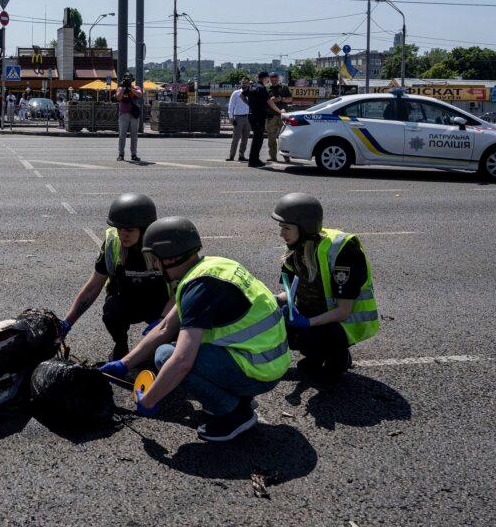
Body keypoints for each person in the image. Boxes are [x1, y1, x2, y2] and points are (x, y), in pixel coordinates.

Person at [101, 217, 290, 442]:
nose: (154, 266)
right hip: (266, 360)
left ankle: (233, 413)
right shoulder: (207, 269)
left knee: (166, 356)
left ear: (169, 258)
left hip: (259, 370)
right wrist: (124, 364)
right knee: (169, 350)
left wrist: (148, 400)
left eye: (155, 259)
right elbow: (164, 328)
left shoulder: (198, 289)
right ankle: (239, 397)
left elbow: (182, 361)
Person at [271, 193, 379, 381]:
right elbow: (288, 289)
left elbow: (343, 312)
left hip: (346, 323)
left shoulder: (343, 252)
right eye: (281, 228)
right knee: (273, 323)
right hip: (316, 313)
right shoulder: (295, 248)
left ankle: (338, 357)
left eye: (286, 228)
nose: (281, 234)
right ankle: (316, 354)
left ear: (304, 228)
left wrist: (306, 323)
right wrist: (270, 302)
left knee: (307, 338)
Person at [60, 194, 169, 361]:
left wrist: (164, 322)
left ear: (145, 228)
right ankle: (121, 345)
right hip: (127, 301)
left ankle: (155, 346)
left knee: (162, 355)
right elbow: (93, 286)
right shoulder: (113, 244)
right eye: (119, 229)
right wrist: (66, 323)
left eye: (129, 230)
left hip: (160, 304)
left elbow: (180, 291)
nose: (122, 235)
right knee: (111, 310)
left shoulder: (163, 247)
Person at [245, 71, 282, 168]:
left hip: (251, 115)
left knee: (257, 138)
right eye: (267, 79)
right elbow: (270, 102)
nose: (268, 81)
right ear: (264, 78)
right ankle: (253, 161)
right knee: (258, 139)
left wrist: (250, 105)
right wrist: (280, 111)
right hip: (259, 116)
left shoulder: (251, 86)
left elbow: (242, 95)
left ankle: (254, 159)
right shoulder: (262, 88)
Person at [115, 72, 143, 162]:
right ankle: (121, 154)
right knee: (122, 135)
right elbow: (118, 98)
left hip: (133, 114)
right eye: (126, 78)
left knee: (134, 135)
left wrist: (130, 88)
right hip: (123, 114)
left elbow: (140, 94)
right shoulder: (120, 88)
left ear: (132, 80)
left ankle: (134, 154)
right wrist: (123, 88)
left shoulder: (136, 87)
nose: (127, 79)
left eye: (129, 78)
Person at [266, 72, 292, 163]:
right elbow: (264, 101)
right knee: (271, 138)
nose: (273, 80)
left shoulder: (284, 87)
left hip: (282, 116)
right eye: (272, 78)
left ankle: (286, 156)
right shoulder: (267, 88)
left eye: (275, 78)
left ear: (278, 78)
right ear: (269, 78)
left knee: (284, 137)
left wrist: (281, 99)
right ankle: (272, 156)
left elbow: (290, 99)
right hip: (271, 116)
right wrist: (271, 100)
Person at [226, 77, 250, 162]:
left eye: (246, 83)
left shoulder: (251, 93)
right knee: (236, 138)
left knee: (245, 139)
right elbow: (231, 105)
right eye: (243, 83)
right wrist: (231, 117)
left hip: (248, 117)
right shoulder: (236, 93)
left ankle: (241, 155)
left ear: (249, 83)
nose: (244, 84)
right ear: (241, 83)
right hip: (238, 117)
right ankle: (231, 156)